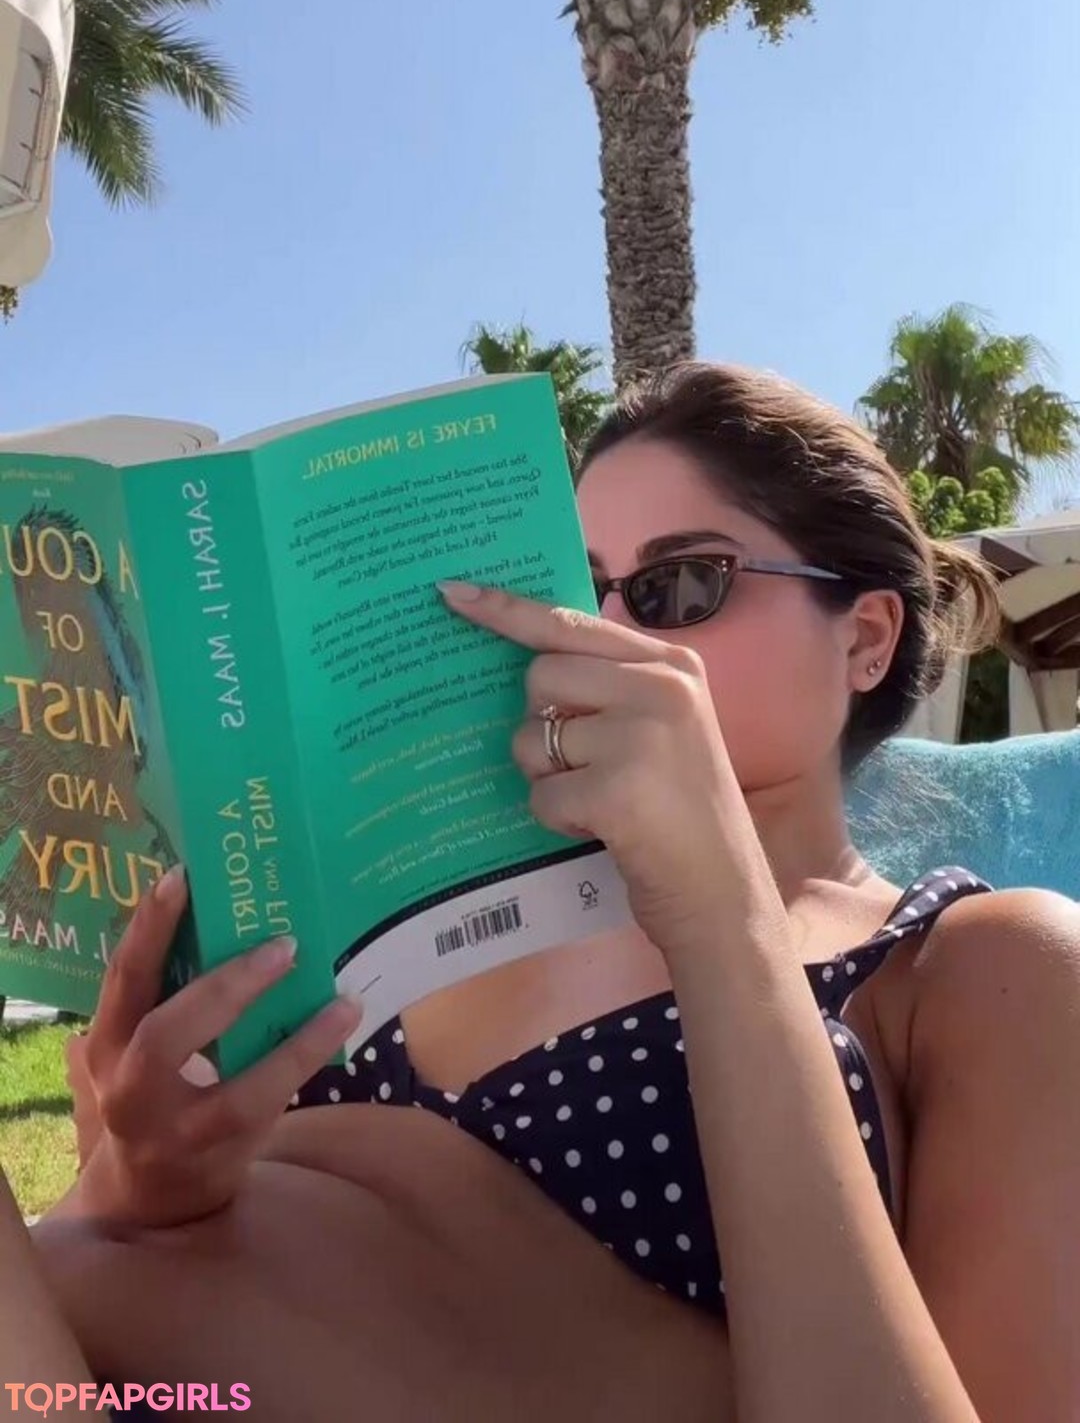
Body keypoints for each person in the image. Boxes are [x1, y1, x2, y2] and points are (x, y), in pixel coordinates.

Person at [30, 363, 1080, 1422]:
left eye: (680, 586)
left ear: (865, 638)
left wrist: (721, 921)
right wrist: (141, 1181)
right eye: (578, 590)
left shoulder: (981, 963)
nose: (609, 635)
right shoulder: (409, 919)